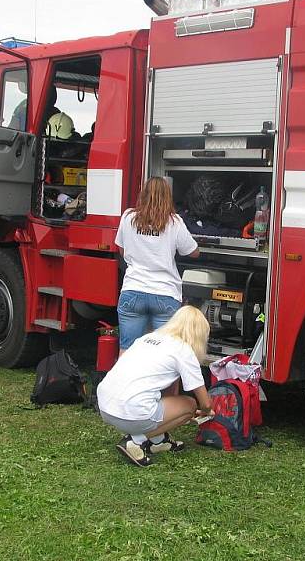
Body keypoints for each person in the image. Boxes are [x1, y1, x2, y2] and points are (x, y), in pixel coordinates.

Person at [97, 305, 213, 467]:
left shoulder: (148, 338)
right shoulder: (183, 350)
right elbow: (205, 403)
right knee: (190, 405)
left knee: (162, 399)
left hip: (105, 406)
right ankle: (135, 441)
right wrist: (206, 412)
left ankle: (159, 442)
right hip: (131, 412)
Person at [115, 176, 199, 354]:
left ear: (143, 195)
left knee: (127, 351)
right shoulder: (174, 222)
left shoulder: (128, 217)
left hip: (132, 291)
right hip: (165, 294)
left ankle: (124, 381)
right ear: (167, 197)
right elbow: (192, 252)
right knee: (165, 355)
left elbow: (121, 250)